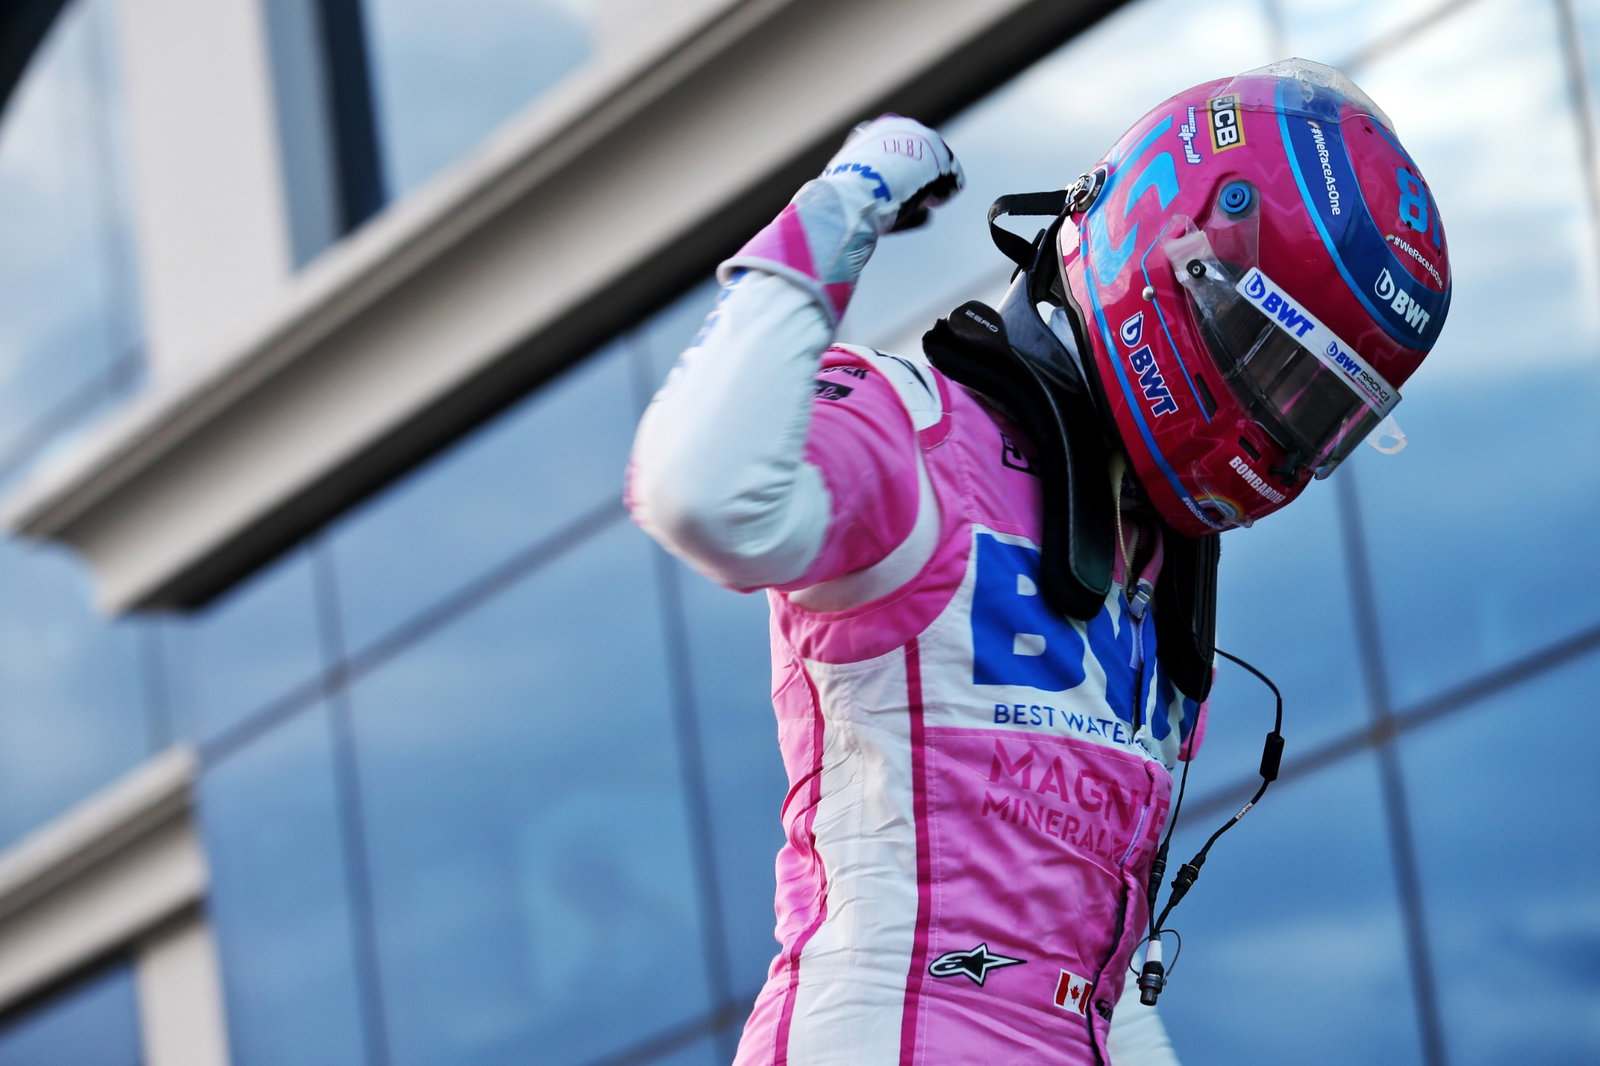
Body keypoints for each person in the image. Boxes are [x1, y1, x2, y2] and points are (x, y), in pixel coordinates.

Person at [627, 58, 1451, 1066]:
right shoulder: (914, 432)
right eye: (1271, 360)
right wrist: (843, 203)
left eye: (1318, 404)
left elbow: (1095, 977)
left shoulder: (1158, 584)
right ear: (1171, 243)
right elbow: (699, 490)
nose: (1279, 419)